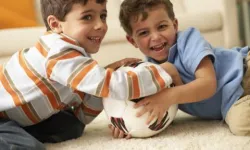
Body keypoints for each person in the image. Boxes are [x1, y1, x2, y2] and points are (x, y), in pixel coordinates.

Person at [0, 0, 178, 149]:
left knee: (72, 127)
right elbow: (112, 85)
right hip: (2, 113)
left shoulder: (76, 59)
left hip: (18, 115)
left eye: (103, 15)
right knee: (26, 147)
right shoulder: (59, 53)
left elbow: (83, 114)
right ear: (56, 24)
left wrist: (106, 86)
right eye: (87, 17)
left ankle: (20, 129)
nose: (100, 25)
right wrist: (161, 72)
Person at [118, 0, 250, 137]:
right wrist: (128, 124)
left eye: (162, 26)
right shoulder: (149, 70)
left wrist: (167, 96)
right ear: (132, 41)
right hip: (233, 101)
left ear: (174, 25)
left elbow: (208, 85)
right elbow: (149, 106)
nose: (156, 37)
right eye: (144, 33)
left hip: (244, 70)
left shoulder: (188, 41)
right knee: (241, 124)